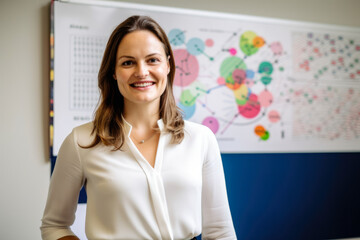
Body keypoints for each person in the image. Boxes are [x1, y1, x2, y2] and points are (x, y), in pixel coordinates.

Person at [41, 15, 236, 240]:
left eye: (152, 60)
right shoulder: (81, 141)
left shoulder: (201, 138)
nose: (142, 72)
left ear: (168, 65)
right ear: (114, 72)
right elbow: (54, 225)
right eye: (128, 62)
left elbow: (220, 231)